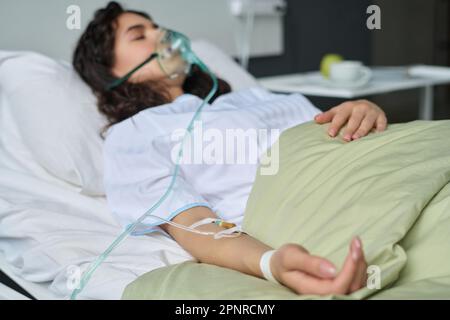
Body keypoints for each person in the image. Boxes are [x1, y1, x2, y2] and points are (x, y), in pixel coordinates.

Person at [73, 1, 387, 296]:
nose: (162, 35)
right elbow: (194, 223)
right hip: (321, 202)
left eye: (157, 26)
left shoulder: (248, 98)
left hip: (371, 166)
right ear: (111, 72)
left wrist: (362, 110)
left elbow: (328, 126)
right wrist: (270, 263)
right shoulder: (135, 133)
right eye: (139, 35)